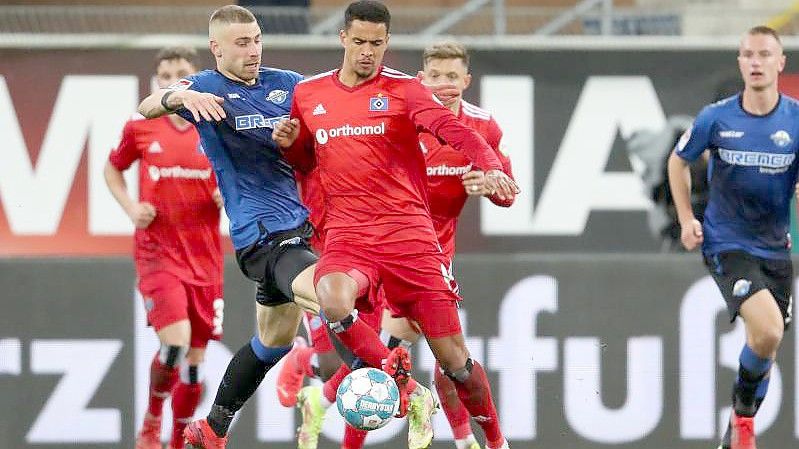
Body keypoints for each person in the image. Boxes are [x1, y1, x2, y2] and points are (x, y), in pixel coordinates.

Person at [272, 3, 518, 449]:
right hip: (349, 236)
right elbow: (309, 161)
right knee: (332, 299)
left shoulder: (406, 91)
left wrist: (490, 166)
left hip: (410, 239)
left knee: (456, 362)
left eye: (378, 44)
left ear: (387, 43)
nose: (368, 52)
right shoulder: (308, 94)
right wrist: (291, 149)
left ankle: (496, 442)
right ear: (343, 38)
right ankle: (407, 389)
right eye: (361, 42)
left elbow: (452, 129)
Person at [137, 5, 321, 449]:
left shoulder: (288, 83)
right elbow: (147, 107)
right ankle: (324, 370)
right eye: (242, 43)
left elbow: (323, 135)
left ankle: (213, 428)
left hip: (304, 223)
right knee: (336, 298)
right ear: (216, 49)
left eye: (256, 39)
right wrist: (180, 97)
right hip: (260, 235)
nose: (253, 49)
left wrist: (299, 139)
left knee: (272, 340)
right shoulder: (205, 88)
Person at [667, 25, 797, 449]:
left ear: (781, 62)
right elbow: (677, 161)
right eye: (748, 54)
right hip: (727, 242)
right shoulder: (717, 117)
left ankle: (734, 429)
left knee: (764, 346)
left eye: (764, 54)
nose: (755, 62)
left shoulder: (795, 120)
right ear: (740, 63)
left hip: (775, 248)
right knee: (769, 332)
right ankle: (743, 424)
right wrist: (687, 218)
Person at [105, 47, 224, 449]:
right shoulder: (141, 128)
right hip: (158, 254)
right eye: (166, 74)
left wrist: (229, 194)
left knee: (194, 365)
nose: (174, 80)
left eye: (182, 73)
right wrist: (131, 207)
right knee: (174, 342)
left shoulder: (214, 128)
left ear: (195, 78)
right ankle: (152, 420)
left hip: (205, 260)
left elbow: (237, 180)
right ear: (157, 82)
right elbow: (112, 169)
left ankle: (177, 440)